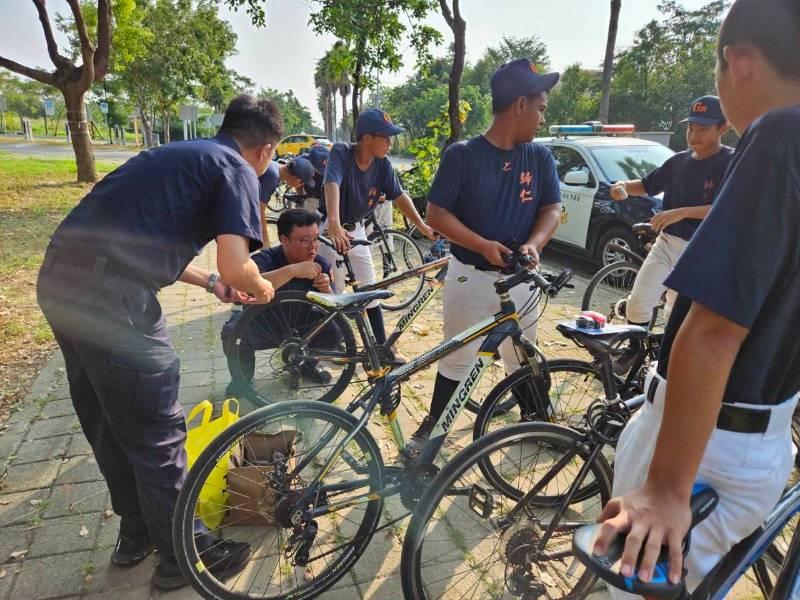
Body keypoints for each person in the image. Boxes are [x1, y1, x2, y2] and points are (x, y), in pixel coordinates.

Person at [593, 1, 800, 596]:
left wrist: (664, 489)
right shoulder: (692, 160)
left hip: (703, 446)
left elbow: (714, 330)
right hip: (761, 437)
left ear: (738, 61)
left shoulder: (781, 135)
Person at [36, 94, 280, 590]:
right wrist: (261, 285)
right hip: (114, 298)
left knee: (108, 415)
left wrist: (210, 283)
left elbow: (145, 239)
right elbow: (240, 265)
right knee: (157, 429)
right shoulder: (237, 168)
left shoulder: (180, 155)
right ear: (266, 149)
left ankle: (138, 532)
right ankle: (186, 553)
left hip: (61, 281)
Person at [406, 58, 563, 453]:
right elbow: (436, 214)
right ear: (521, 105)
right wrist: (481, 245)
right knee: (457, 355)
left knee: (523, 352)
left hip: (521, 279)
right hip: (469, 276)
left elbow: (551, 209)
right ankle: (434, 429)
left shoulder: (539, 157)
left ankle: (537, 419)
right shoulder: (463, 155)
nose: (543, 119)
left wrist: (534, 244)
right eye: (541, 108)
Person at [609, 96, 733, 373]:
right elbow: (646, 184)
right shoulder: (678, 161)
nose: (694, 135)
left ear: (722, 128)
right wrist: (622, 187)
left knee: (677, 313)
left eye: (703, 129)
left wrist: (681, 212)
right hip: (667, 243)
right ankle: (634, 350)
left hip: (702, 252)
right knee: (640, 299)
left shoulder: (730, 163)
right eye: (691, 128)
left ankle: (668, 361)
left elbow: (729, 208)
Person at [320, 108, 435, 345]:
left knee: (370, 290)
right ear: (367, 138)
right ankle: (329, 346)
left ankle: (382, 348)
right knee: (335, 292)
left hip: (357, 230)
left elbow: (399, 196)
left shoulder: (382, 165)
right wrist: (333, 223)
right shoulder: (342, 153)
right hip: (330, 230)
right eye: (385, 138)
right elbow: (331, 183)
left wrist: (422, 226)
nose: (389, 144)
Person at [222, 208, 340, 394]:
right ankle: (242, 380)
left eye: (316, 238)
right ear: (284, 239)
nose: (313, 247)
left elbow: (334, 306)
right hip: (265, 324)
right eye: (304, 240)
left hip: (301, 329)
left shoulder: (320, 264)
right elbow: (246, 287)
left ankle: (306, 364)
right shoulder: (264, 259)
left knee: (334, 330)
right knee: (232, 332)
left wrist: (326, 289)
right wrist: (292, 270)